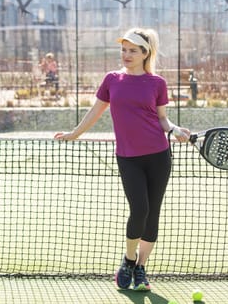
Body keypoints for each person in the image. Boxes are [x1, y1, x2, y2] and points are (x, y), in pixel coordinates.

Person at [54, 28, 190, 291]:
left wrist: (174, 129)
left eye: (133, 50)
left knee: (152, 215)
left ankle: (140, 268)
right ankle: (128, 260)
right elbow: (96, 111)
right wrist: (75, 133)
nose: (126, 54)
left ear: (145, 53)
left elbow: (162, 118)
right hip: (128, 158)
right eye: (124, 49)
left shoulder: (157, 83)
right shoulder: (112, 80)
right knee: (139, 209)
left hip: (159, 156)